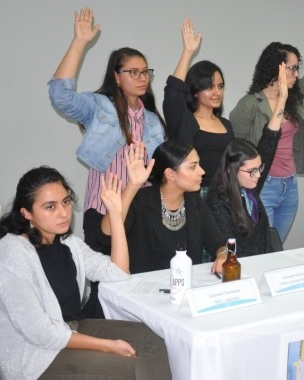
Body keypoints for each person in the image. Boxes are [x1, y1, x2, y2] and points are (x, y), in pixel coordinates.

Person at [0, 167, 170, 379]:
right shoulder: (10, 257)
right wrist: (107, 345)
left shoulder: (68, 243)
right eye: (50, 207)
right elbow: (41, 333)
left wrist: (116, 215)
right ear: (27, 214)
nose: (63, 213)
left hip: (73, 329)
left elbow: (118, 272)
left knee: (155, 340)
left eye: (65, 202)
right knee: (123, 364)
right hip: (36, 358)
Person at [48, 8, 166, 318]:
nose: (142, 78)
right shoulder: (100, 106)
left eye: (146, 72)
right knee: (107, 288)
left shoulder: (153, 121)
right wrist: (79, 42)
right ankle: (96, 335)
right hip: (101, 210)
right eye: (133, 72)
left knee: (135, 283)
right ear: (116, 76)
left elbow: (159, 171)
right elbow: (61, 97)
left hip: (139, 210)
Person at [230, 0, 304, 242]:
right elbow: (234, 147)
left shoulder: (294, 98)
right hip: (264, 186)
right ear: (276, 68)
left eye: (298, 68)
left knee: (275, 246)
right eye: (292, 68)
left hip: (289, 187)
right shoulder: (250, 104)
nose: (297, 74)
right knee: (263, 246)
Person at [98, 141, 225, 274]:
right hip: (144, 289)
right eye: (193, 167)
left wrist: (223, 255)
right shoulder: (141, 200)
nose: (202, 172)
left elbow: (218, 242)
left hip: (186, 286)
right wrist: (133, 185)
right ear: (170, 174)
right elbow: (106, 236)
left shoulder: (195, 202)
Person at [208, 63, 288, 271]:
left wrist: (282, 100)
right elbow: (228, 249)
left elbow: (269, 142)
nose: (258, 175)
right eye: (251, 171)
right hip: (237, 274)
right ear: (231, 170)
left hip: (262, 269)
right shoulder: (218, 202)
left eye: (259, 169)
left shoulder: (250, 189)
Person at [163, 18, 233, 196]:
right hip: (195, 195)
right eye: (209, 87)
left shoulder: (226, 124)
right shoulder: (186, 120)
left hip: (225, 196)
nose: (217, 92)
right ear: (195, 91)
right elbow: (173, 94)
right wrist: (187, 53)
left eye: (220, 86)